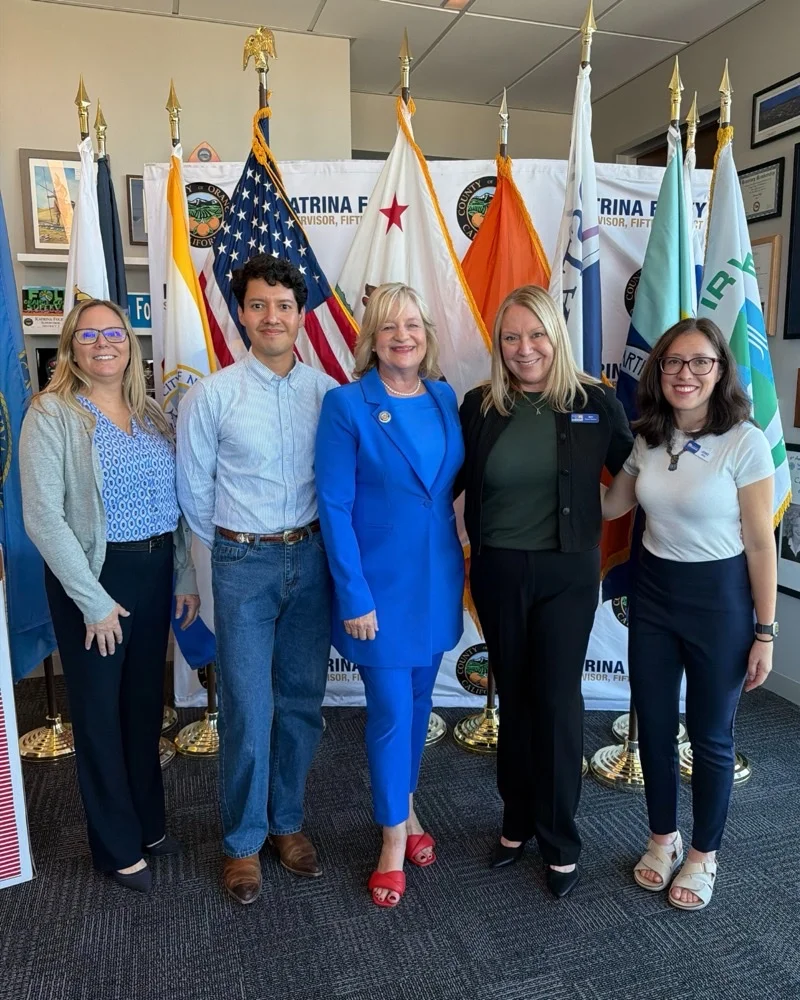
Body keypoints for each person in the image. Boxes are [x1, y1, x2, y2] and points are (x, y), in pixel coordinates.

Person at [458, 284, 632, 899]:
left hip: (567, 574)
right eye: (511, 337)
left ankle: (559, 837)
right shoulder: (479, 406)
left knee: (556, 701)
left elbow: (637, 470)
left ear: (555, 337)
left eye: (536, 335)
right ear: (499, 344)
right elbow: (444, 481)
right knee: (515, 698)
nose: (524, 348)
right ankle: (515, 821)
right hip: (500, 570)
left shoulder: (594, 403)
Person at [20, 299, 199, 894]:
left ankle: (149, 825)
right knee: (99, 716)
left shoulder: (151, 414)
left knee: (143, 710)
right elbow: (44, 518)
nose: (103, 343)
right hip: (93, 580)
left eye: (114, 333)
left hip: (152, 574)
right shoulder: (52, 414)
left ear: (130, 343)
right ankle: (116, 845)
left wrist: (185, 577)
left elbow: (170, 508)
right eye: (88, 334)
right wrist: (93, 602)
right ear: (70, 346)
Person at [176, 255, 337, 905]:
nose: (273, 316)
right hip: (243, 565)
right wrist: (231, 557)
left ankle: (286, 825)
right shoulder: (211, 395)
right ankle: (243, 842)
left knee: (301, 703)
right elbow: (193, 493)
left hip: (314, 559)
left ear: (301, 315)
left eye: (284, 305)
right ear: (241, 313)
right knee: (248, 705)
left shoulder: (328, 393)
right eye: (259, 305)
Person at [602, 317, 776, 911]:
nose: (686, 373)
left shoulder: (744, 442)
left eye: (701, 362)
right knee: (652, 724)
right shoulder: (648, 436)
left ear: (721, 371)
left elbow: (759, 544)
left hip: (720, 604)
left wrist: (765, 631)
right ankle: (662, 838)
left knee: (709, 737)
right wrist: (588, 415)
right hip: (653, 597)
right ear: (659, 370)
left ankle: (704, 854)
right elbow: (611, 507)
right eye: (675, 361)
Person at [315, 283, 464, 908]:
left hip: (437, 583)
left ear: (426, 333)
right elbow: (335, 506)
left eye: (413, 323)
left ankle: (406, 806)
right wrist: (354, 597)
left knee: (421, 703)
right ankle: (392, 838)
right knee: (391, 715)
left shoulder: (444, 396)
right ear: (369, 339)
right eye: (388, 326)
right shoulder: (346, 405)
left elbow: (446, 491)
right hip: (377, 591)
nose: (403, 335)